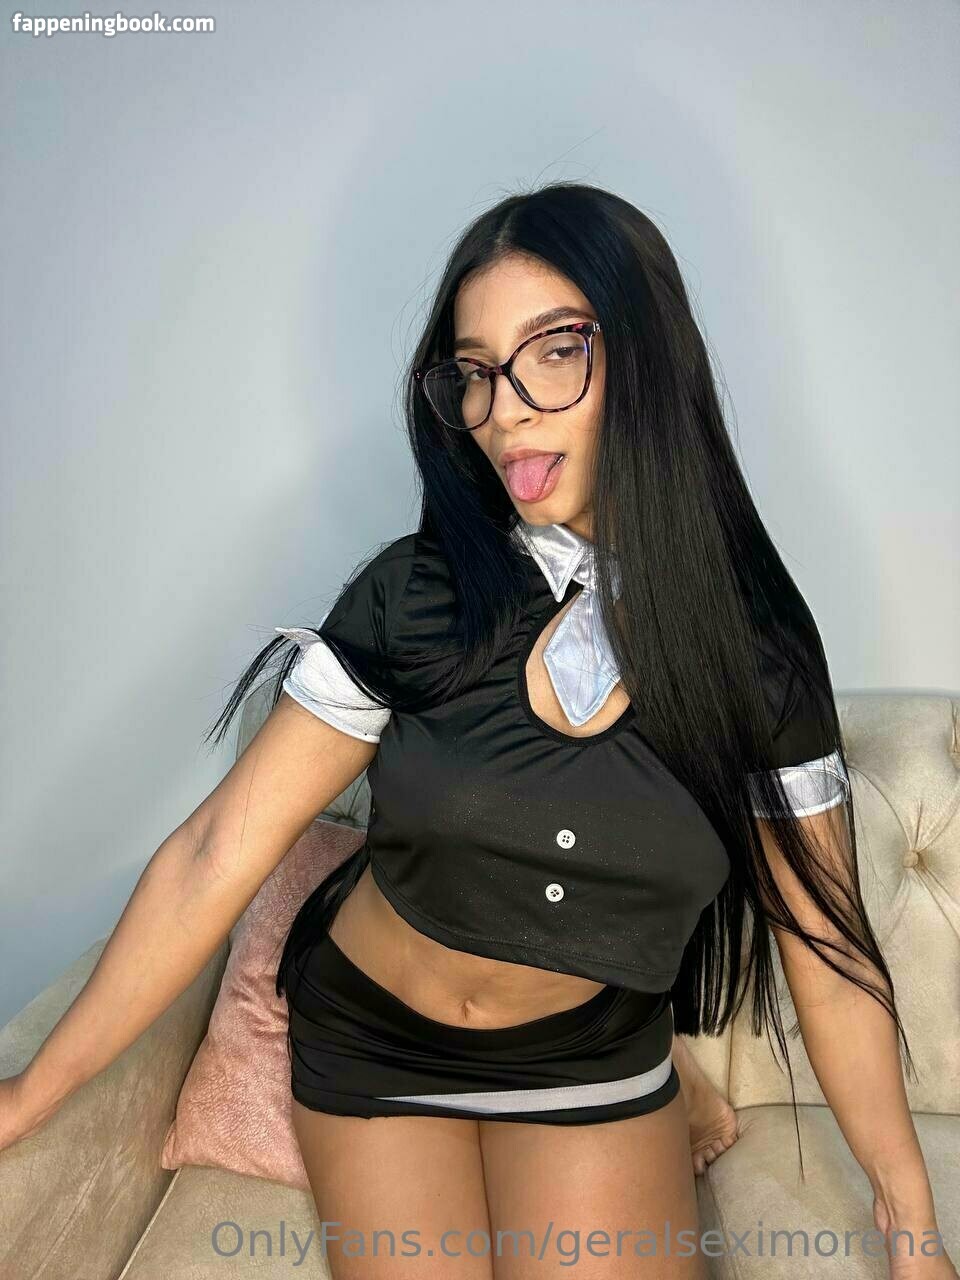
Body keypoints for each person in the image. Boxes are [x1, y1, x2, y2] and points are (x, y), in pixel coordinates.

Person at [1, 182, 953, 1280]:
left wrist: (912, 1227)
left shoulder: (761, 649)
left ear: (647, 356)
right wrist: (32, 1089)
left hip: (585, 1055)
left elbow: (827, 948)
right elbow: (217, 850)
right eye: (476, 370)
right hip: (377, 1044)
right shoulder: (413, 596)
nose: (505, 410)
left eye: (554, 351)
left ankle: (666, 1076)